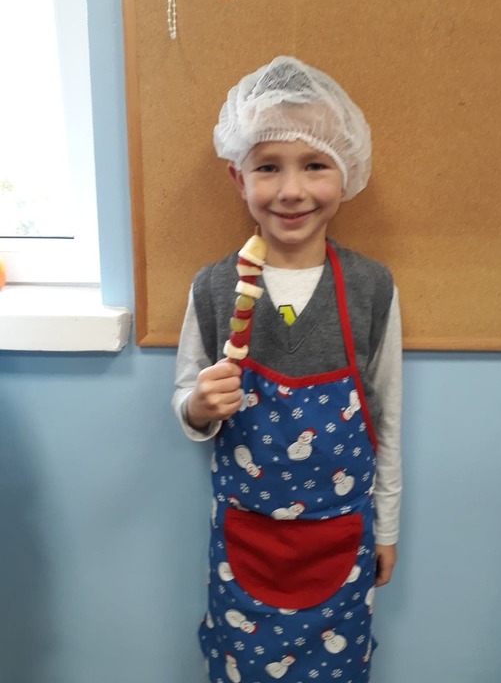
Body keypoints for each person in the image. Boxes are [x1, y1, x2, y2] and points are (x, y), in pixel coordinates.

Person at [172, 56, 402, 682]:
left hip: (341, 542)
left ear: (345, 172)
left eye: (315, 165)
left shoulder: (371, 288)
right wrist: (198, 406)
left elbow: (387, 420)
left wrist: (386, 529)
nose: (292, 190)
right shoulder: (214, 287)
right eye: (268, 166)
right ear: (238, 176)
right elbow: (186, 398)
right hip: (245, 544)